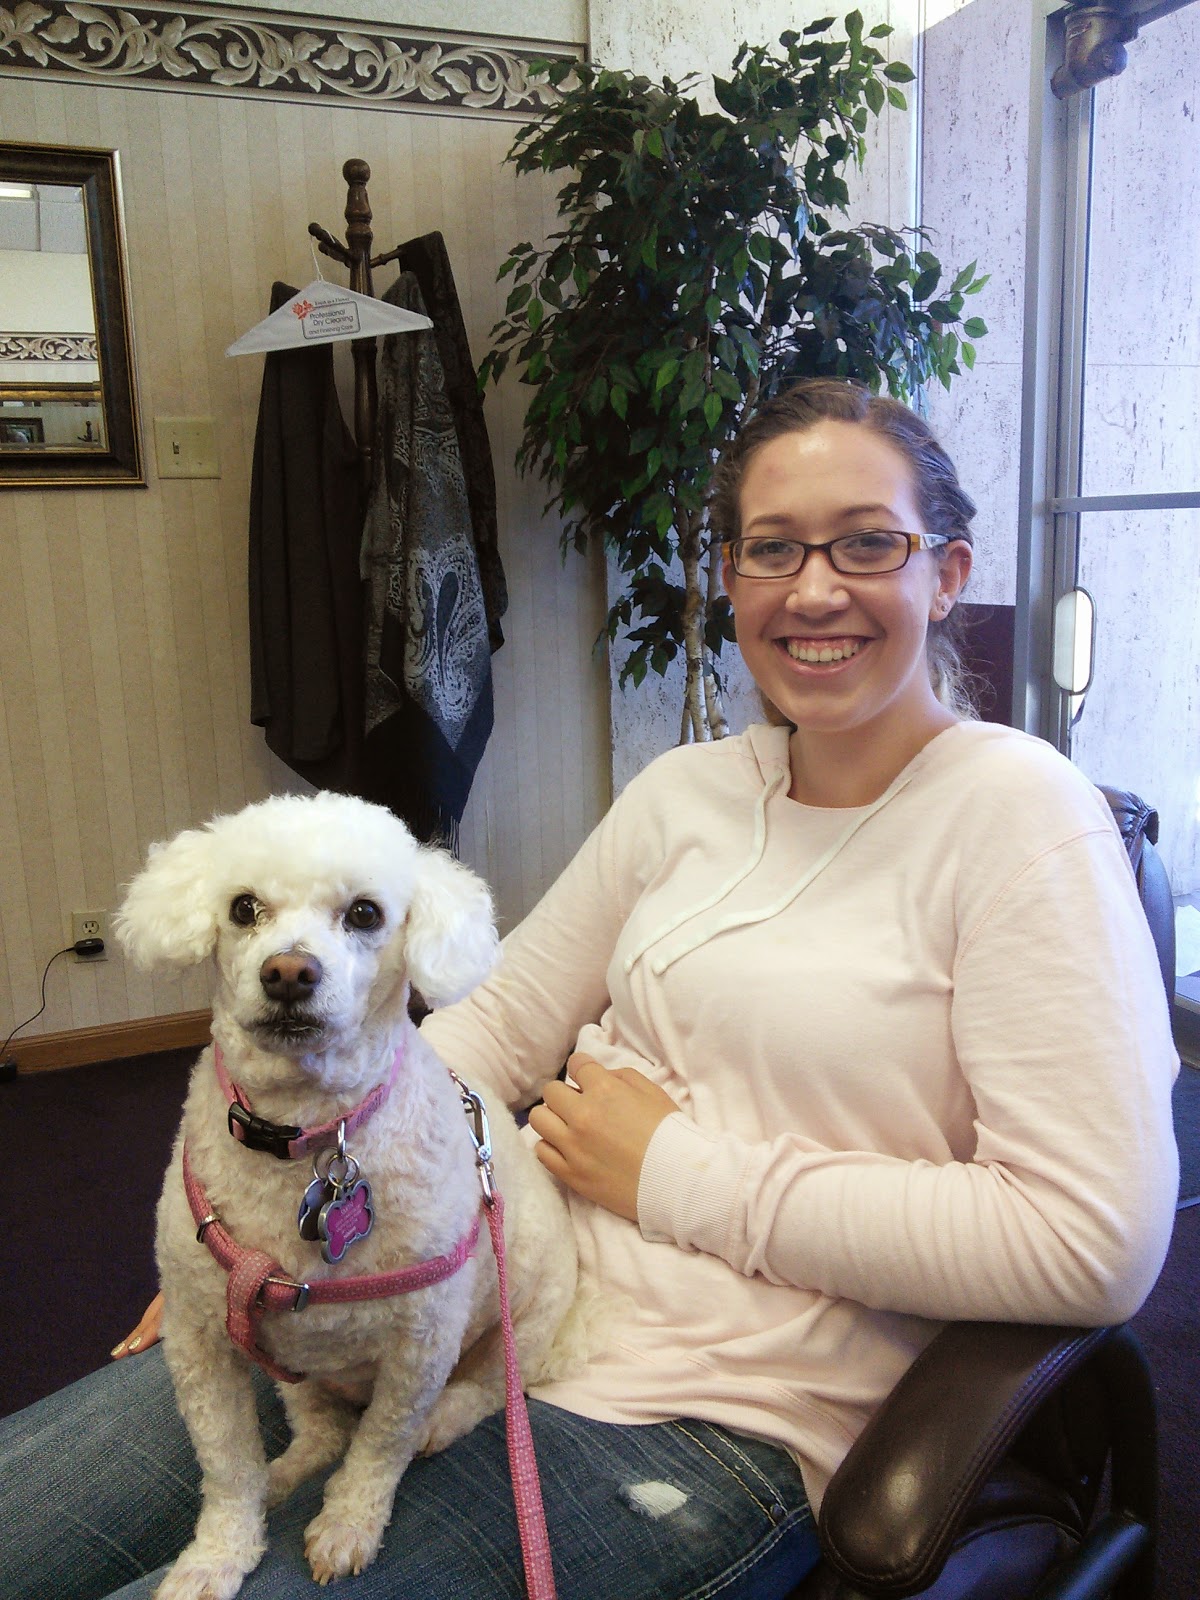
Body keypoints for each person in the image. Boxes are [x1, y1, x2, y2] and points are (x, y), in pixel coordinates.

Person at [1, 379, 1178, 1600]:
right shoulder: (685, 792)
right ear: (731, 577)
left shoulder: (1019, 817)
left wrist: (672, 1172)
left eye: (868, 542)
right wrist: (266, 1219)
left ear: (946, 573)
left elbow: (1088, 1239)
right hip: (454, 1295)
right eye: (773, 547)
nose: (814, 588)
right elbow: (496, 1028)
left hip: (707, 1409)